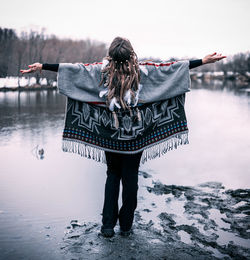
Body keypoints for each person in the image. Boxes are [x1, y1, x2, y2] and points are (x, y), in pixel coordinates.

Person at [20, 37, 226, 238]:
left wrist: (43, 66)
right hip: (137, 137)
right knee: (131, 176)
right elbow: (169, 69)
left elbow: (76, 70)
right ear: (131, 54)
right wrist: (203, 61)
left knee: (112, 174)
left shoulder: (100, 73)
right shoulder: (143, 71)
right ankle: (126, 226)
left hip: (109, 134)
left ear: (110, 56)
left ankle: (107, 226)